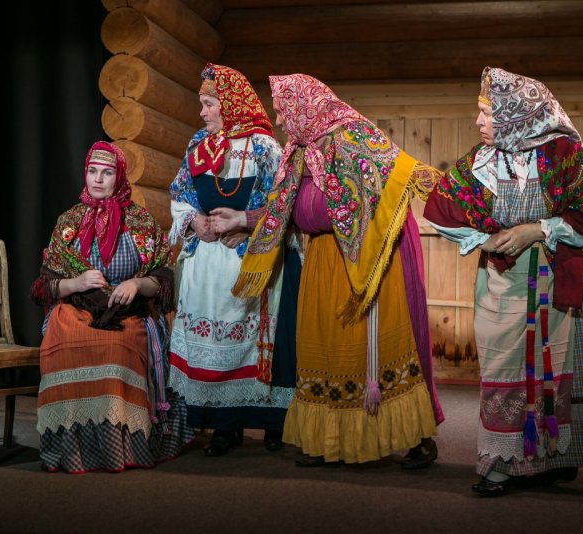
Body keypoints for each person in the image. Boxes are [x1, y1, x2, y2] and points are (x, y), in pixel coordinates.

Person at [424, 66, 583, 496]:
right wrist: (485, 239)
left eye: (487, 113)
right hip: (504, 279)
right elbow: (441, 209)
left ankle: (551, 457)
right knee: (503, 367)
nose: (479, 121)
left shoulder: (562, 155)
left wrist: (537, 230)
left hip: (559, 273)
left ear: (515, 116)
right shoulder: (482, 161)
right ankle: (500, 461)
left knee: (555, 366)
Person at [233, 73, 444, 468]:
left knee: (378, 351)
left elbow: (397, 176)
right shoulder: (298, 150)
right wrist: (243, 221)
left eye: (282, 110)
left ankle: (416, 439)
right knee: (325, 350)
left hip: (365, 260)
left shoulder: (353, 135)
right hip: (322, 258)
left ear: (303, 106)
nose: (279, 120)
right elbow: (283, 207)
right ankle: (327, 440)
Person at [30, 141, 194, 473]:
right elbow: (45, 285)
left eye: (106, 173)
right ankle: (71, 448)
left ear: (118, 177)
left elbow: (162, 278)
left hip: (126, 312)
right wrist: (76, 284)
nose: (97, 179)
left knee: (117, 347)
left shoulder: (140, 221)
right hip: (76, 308)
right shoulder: (69, 221)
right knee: (65, 343)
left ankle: (120, 446)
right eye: (92, 171)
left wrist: (136, 285)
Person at [168, 63, 300, 457]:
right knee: (214, 343)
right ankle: (224, 426)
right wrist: (194, 221)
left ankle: (273, 422)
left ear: (230, 105)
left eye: (209, 104)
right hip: (208, 263)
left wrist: (246, 222)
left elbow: (282, 204)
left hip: (250, 263)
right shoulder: (198, 144)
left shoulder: (264, 147)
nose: (202, 112)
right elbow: (180, 193)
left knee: (260, 345)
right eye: (202, 104)